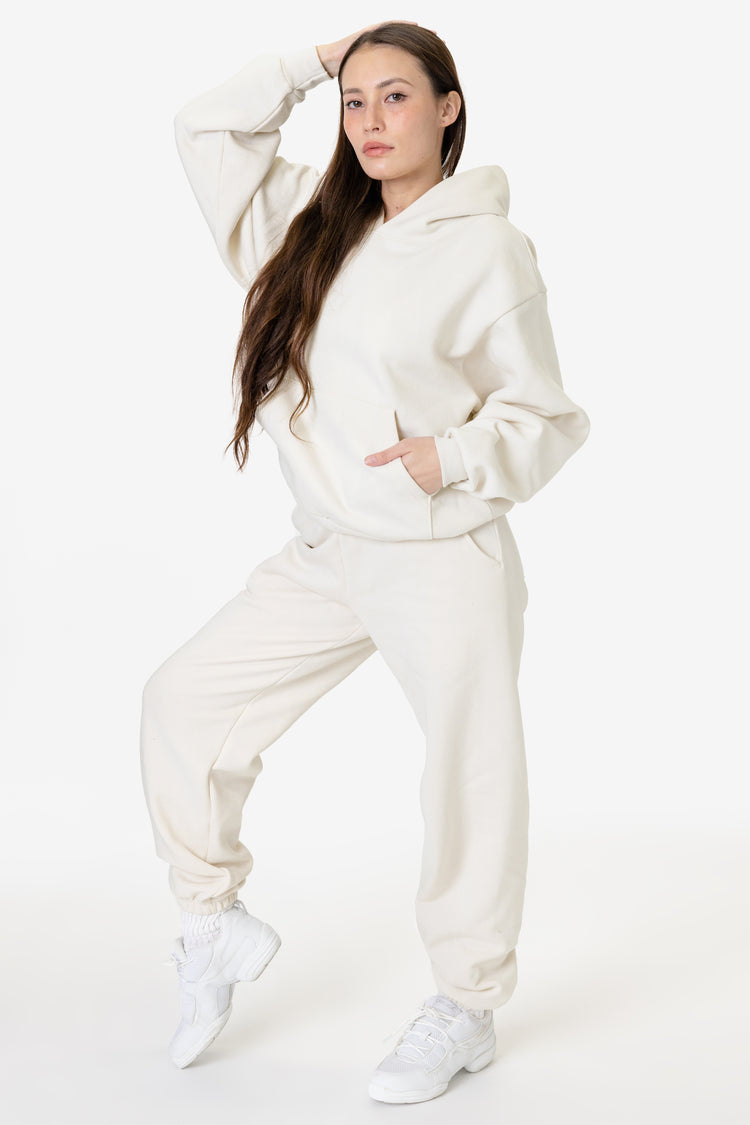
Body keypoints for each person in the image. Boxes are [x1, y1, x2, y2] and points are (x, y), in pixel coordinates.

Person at [139, 20, 591, 1103]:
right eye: (355, 101)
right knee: (182, 702)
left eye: (396, 96)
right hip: (331, 549)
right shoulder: (308, 221)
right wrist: (311, 61)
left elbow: (547, 415)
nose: (371, 120)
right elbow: (203, 127)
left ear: (448, 107)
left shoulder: (489, 250)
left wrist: (455, 455)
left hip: (441, 554)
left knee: (470, 775)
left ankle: (467, 1004)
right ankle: (213, 919)